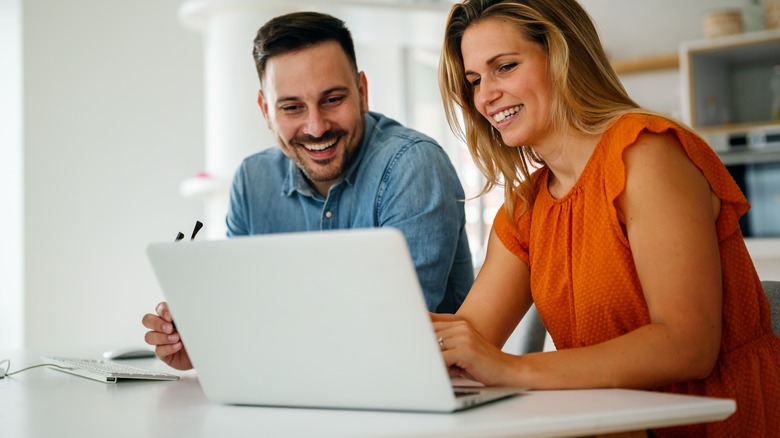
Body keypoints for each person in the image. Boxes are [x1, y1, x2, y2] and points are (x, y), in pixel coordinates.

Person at [432, 1, 780, 437]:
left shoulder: (646, 155)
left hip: (713, 422)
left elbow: (688, 345)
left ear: (563, 58)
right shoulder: (526, 207)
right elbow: (471, 336)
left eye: (504, 67)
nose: (485, 95)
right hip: (615, 425)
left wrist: (512, 369)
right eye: (475, 80)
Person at [143, 11, 474, 371]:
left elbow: (396, 336)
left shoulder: (413, 167)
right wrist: (205, 343)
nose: (315, 127)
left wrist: (246, 336)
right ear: (265, 110)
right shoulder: (252, 181)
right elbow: (242, 312)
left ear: (362, 93)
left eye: (332, 99)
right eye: (292, 107)